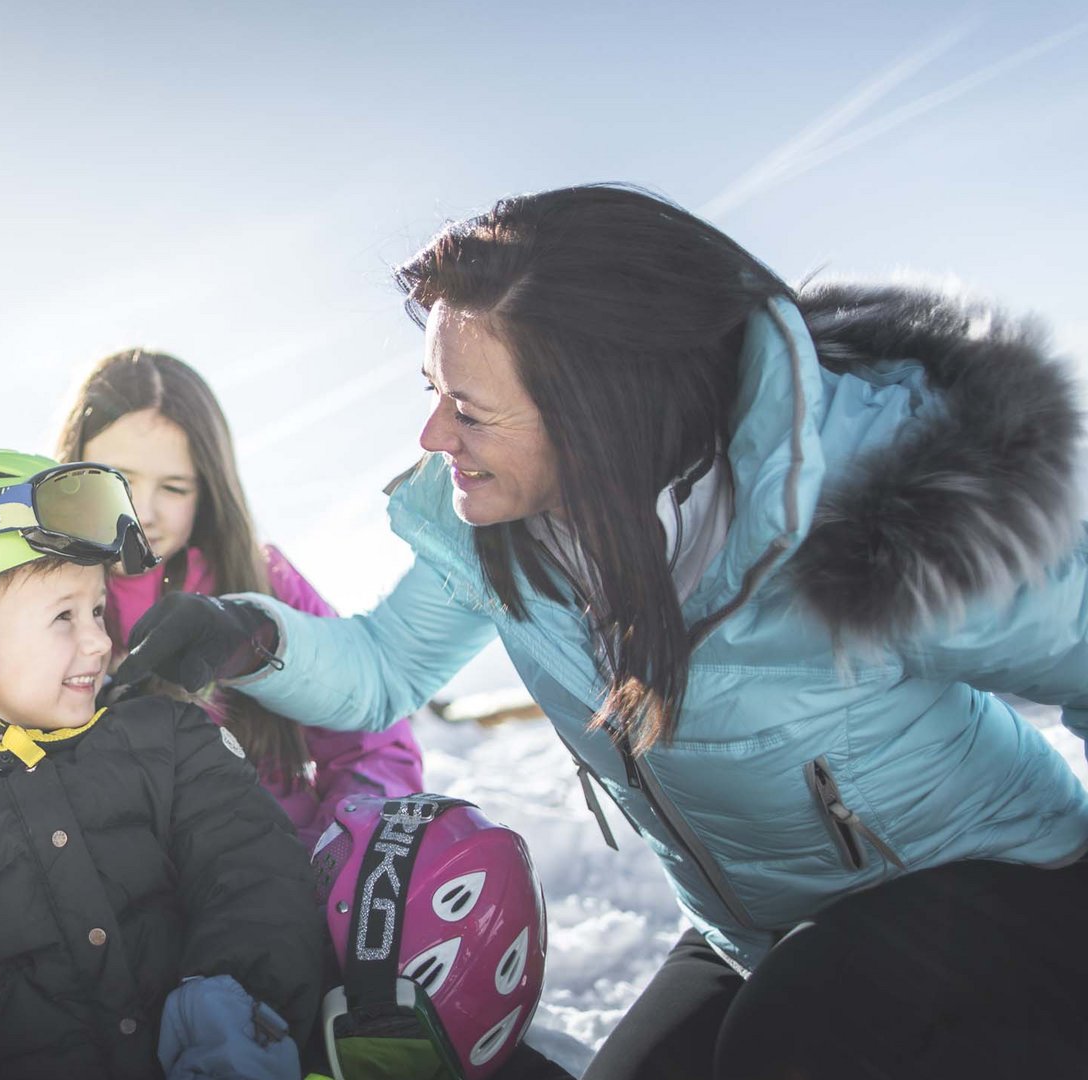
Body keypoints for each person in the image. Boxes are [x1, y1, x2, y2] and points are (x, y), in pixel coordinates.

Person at [114, 184, 1088, 1079]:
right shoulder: (503, 534)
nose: (433, 439)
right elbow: (381, 671)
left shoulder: (867, 497)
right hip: (755, 931)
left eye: (471, 410)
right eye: (430, 394)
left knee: (794, 1035)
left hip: (1011, 888)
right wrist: (244, 634)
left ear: (598, 416)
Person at [0, 450, 328, 1080]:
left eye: (98, 610)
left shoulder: (167, 742)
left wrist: (236, 1003)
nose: (99, 640)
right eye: (63, 616)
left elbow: (254, 871)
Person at [55, 348, 425, 849]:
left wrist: (335, 858)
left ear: (208, 491)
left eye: (174, 487)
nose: (141, 512)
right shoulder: (29, 592)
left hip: (278, 872)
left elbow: (369, 743)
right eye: (116, 478)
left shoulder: (261, 581)